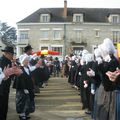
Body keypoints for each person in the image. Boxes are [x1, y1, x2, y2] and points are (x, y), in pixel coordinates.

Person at [0, 46, 22, 120]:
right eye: (12, 54)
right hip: (1, 89)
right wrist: (5, 75)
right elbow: (4, 74)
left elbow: (11, 72)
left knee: (4, 106)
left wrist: (15, 72)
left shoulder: (8, 61)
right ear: (7, 53)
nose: (13, 56)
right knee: (2, 107)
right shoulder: (2, 61)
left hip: (5, 88)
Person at [16, 54, 35, 120]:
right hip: (22, 89)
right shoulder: (20, 69)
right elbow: (19, 79)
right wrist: (24, 88)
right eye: (25, 60)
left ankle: (26, 114)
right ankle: (22, 115)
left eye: (27, 60)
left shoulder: (28, 68)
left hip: (28, 87)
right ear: (22, 61)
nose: (27, 62)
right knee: (22, 102)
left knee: (28, 101)